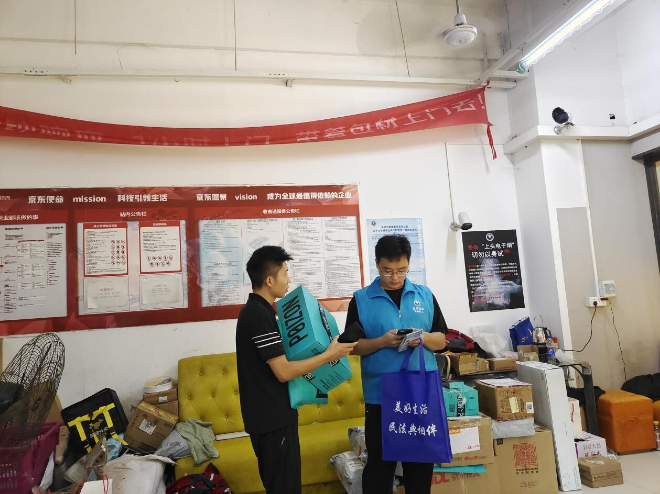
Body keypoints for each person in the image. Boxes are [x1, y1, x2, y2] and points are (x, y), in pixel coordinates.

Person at [236, 245, 357, 494]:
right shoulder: (258, 315)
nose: (288, 280)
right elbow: (283, 372)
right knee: (285, 488)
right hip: (271, 420)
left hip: (271, 417)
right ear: (270, 280)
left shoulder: (260, 312)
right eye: (285, 273)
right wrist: (329, 355)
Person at [346, 235, 448, 494]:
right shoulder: (361, 299)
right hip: (381, 394)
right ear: (377, 264)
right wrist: (381, 342)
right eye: (387, 270)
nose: (394, 277)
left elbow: (441, 340)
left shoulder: (425, 295)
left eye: (401, 270)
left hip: (419, 392)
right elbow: (353, 347)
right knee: (380, 465)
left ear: (408, 264)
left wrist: (422, 338)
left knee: (420, 463)